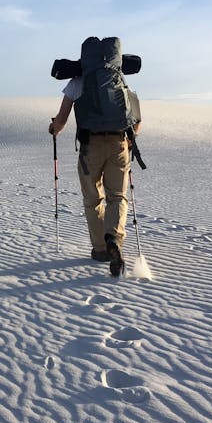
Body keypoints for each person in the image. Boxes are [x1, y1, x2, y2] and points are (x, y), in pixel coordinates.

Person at [48, 74, 141, 276]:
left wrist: (54, 129)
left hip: (90, 147)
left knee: (92, 199)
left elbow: (61, 119)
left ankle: (100, 250)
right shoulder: (118, 78)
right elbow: (136, 119)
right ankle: (114, 239)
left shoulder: (76, 83)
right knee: (117, 196)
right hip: (119, 144)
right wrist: (131, 139)